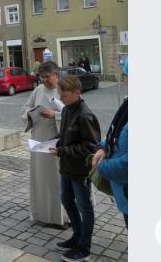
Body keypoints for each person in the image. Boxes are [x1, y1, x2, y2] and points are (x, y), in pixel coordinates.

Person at [49, 76, 102, 262]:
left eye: (64, 95)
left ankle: (84, 247)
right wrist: (54, 142)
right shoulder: (67, 110)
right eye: (60, 95)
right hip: (67, 167)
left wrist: (63, 150)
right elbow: (66, 135)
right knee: (67, 200)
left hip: (81, 170)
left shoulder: (85, 115)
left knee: (84, 207)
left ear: (77, 93)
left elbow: (91, 146)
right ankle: (77, 236)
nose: (61, 99)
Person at [21, 61, 67, 227]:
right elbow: (26, 109)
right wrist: (30, 114)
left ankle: (61, 217)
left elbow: (75, 114)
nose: (45, 81)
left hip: (57, 142)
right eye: (42, 78)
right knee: (41, 178)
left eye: (48, 77)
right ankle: (43, 215)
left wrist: (54, 115)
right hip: (39, 141)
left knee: (56, 179)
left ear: (56, 74)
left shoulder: (65, 89)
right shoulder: (38, 90)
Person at [91, 97, 128, 228]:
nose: (125, 78)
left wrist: (101, 167)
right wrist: (103, 147)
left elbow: (127, 165)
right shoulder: (127, 104)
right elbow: (115, 136)